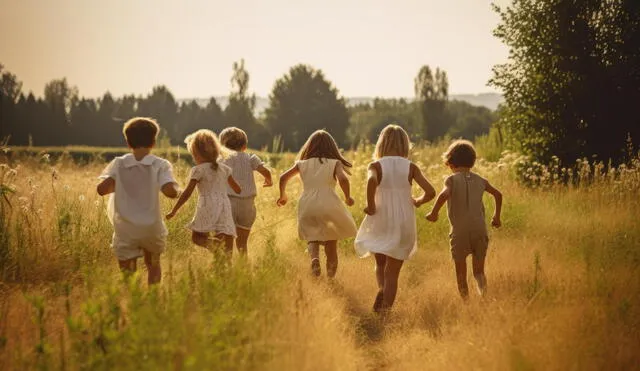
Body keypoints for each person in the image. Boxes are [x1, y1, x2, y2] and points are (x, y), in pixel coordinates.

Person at [355, 124, 436, 313]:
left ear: (381, 144)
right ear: (405, 145)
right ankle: (385, 314)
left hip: (381, 219)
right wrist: (418, 201)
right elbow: (431, 192)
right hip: (403, 222)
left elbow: (371, 181)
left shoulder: (375, 166)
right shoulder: (411, 167)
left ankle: (382, 290)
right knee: (393, 273)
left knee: (380, 263)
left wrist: (371, 205)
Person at [97, 117, 180, 284]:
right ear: (154, 142)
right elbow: (169, 191)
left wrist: (121, 182)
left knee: (128, 272)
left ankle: (132, 300)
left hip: (126, 228)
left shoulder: (119, 164)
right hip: (151, 227)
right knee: (153, 265)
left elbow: (101, 190)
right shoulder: (160, 164)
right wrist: (179, 191)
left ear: (128, 142)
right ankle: (152, 299)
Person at [426, 139, 503, 299]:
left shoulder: (451, 180)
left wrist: (434, 213)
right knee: (479, 272)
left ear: (450, 162)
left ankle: (466, 304)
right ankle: (484, 298)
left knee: (461, 274)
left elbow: (444, 194)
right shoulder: (481, 180)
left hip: (459, 233)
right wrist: (496, 216)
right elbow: (498, 194)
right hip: (479, 229)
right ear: (472, 161)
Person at [277, 130, 357, 277]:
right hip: (329, 203)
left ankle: (314, 259)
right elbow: (343, 179)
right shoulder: (335, 163)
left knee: (311, 237)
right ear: (332, 148)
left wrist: (283, 196)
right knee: (331, 244)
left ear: (309, 147)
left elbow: (283, 177)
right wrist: (348, 197)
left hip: (307, 204)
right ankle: (331, 280)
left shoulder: (301, 164)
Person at [166, 129, 241, 257]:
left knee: (197, 238)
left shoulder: (198, 170)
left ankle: (216, 246)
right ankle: (225, 268)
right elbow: (238, 189)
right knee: (225, 239)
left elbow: (187, 193)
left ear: (197, 154)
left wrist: (174, 210)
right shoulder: (225, 169)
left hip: (207, 205)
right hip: (224, 205)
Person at [219, 127, 273, 256]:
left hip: (229, 203)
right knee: (242, 244)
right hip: (248, 205)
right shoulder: (251, 158)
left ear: (222, 146)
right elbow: (266, 171)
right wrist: (268, 180)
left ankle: (227, 270)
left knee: (227, 243)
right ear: (244, 146)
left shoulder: (222, 159)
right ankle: (244, 269)